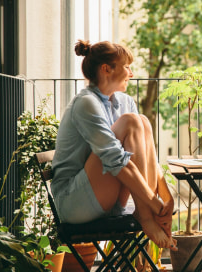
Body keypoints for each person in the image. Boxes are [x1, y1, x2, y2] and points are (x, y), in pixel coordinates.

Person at [51, 39, 177, 250]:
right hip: (74, 202)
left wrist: (166, 198)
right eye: (127, 67)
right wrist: (154, 206)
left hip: (106, 196)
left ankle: (146, 213)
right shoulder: (86, 103)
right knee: (131, 122)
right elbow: (116, 161)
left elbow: (144, 157)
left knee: (142, 121)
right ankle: (145, 216)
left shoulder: (125, 102)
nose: (131, 73)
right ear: (106, 69)